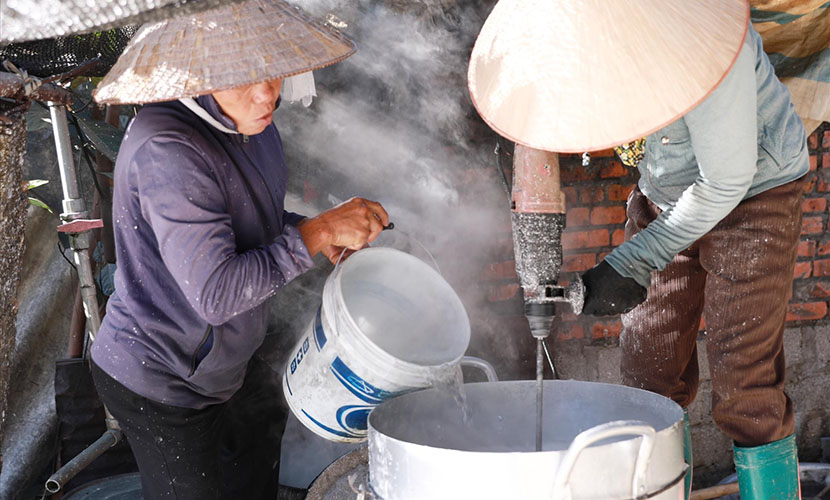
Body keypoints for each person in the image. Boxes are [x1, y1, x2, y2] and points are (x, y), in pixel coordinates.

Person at [88, 2, 388, 499]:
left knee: (261, 438)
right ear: (196, 79)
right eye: (242, 78)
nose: (266, 92)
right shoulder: (169, 151)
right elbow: (217, 293)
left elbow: (250, 224)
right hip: (162, 378)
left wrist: (324, 233)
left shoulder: (252, 123)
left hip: (223, 365)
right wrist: (316, 232)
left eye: (270, 71)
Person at [580, 23, 808, 499]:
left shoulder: (706, 35)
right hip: (667, 190)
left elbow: (725, 181)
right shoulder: (601, 37)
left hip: (753, 192)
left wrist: (633, 261)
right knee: (647, 372)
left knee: (745, 382)